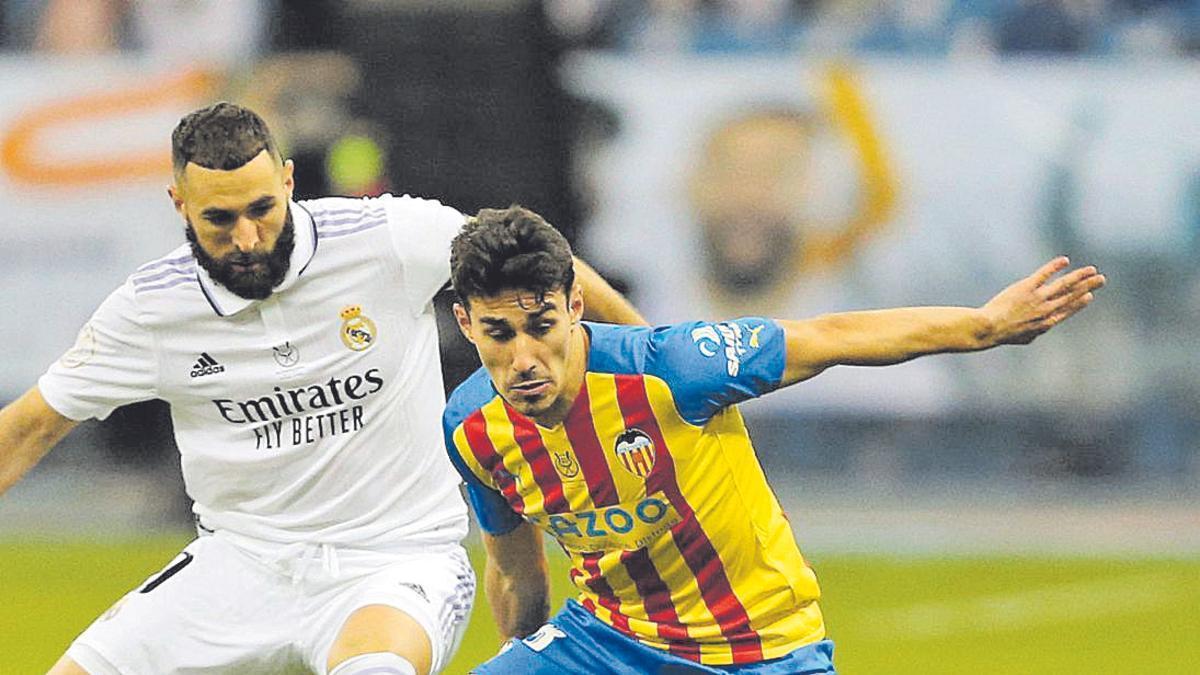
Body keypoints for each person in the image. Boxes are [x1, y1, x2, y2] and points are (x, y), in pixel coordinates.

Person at [0, 102, 642, 675]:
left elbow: (537, 264)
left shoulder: (387, 239)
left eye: (261, 210)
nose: (247, 239)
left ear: (287, 182)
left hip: (394, 563)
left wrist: (652, 357)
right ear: (179, 205)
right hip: (239, 564)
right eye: (219, 220)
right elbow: (27, 428)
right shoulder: (150, 309)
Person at [441, 205, 1105, 674]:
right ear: (467, 323)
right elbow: (518, 573)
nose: (524, 356)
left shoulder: (677, 368)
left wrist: (982, 326)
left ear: (574, 307)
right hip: (609, 641)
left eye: (541, 325)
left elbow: (831, 336)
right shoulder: (471, 430)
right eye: (499, 332)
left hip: (760, 649)